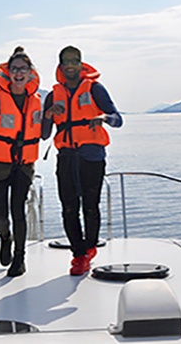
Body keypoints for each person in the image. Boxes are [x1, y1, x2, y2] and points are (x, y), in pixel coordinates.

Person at [42, 45, 122, 276]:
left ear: (81, 64)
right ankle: (78, 255)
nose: (70, 65)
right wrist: (47, 115)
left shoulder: (95, 89)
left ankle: (89, 248)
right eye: (66, 61)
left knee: (90, 206)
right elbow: (45, 133)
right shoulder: (53, 95)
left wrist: (103, 117)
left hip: (91, 157)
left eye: (74, 61)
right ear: (60, 65)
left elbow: (118, 119)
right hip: (66, 157)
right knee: (68, 207)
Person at [0, 46, 42, 277]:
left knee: (18, 211)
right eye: (15, 69)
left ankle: (20, 259)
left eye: (23, 69)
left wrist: (51, 114)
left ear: (31, 72)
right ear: (8, 72)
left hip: (23, 166)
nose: (19, 73)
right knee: (0, 216)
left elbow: (41, 133)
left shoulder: (36, 100)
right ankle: (5, 237)